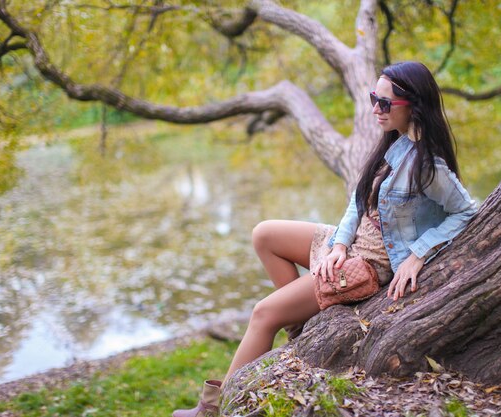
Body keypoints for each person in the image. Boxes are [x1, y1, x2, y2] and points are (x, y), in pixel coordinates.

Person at [172, 61, 478, 417]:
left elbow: (466, 211)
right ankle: (302, 330)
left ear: (413, 105)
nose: (374, 109)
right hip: (347, 245)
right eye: (372, 99)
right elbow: (357, 202)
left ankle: (213, 410)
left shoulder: (429, 166)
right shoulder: (391, 146)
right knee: (264, 234)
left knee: (263, 314)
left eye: (384, 103)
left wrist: (418, 254)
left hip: (368, 264)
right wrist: (337, 245)